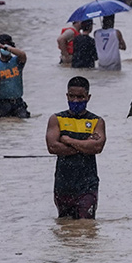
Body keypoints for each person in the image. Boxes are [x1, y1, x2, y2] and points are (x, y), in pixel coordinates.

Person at [45, 77, 106, 219]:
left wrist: (67, 140)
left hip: (87, 185)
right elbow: (53, 146)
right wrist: (83, 146)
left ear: (88, 97)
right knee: (65, 227)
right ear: (67, 96)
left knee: (86, 224)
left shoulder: (97, 121)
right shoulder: (57, 119)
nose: (76, 101)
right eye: (72, 96)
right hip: (63, 185)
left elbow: (97, 146)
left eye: (80, 97)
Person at [0, 34, 29, 118]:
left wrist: (5, 47)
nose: (4, 48)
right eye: (3, 45)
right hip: (2, 104)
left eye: (7, 45)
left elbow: (23, 55)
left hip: (18, 102)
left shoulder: (17, 61)